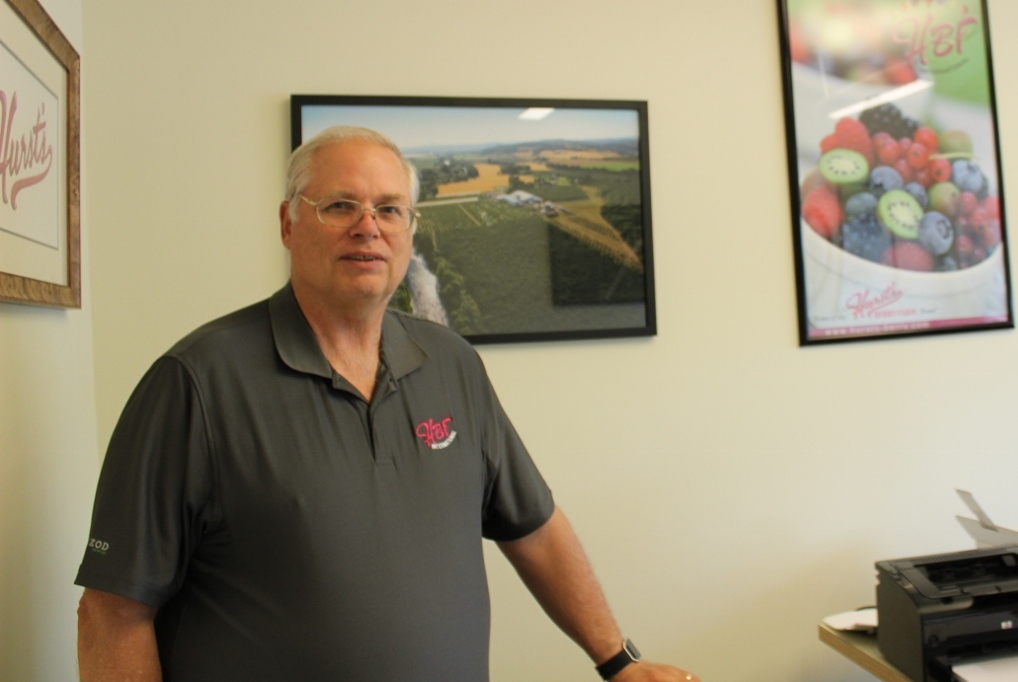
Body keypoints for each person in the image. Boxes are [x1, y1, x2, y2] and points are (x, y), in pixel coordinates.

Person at [75, 125, 700, 682]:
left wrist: (619, 662)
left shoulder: (452, 364)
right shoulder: (196, 383)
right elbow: (111, 611)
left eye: (389, 209)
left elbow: (534, 528)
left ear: (409, 232)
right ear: (289, 223)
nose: (367, 227)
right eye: (340, 205)